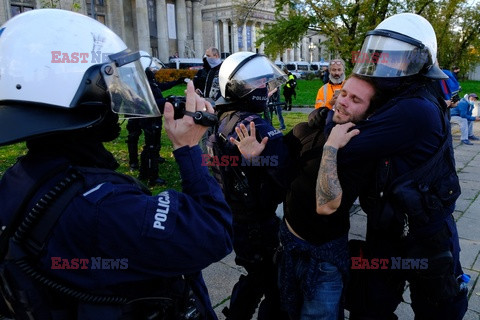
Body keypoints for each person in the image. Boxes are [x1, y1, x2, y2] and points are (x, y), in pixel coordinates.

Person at [0, 9, 232, 320]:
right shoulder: (104, 207)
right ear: (68, 88)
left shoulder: (20, 178)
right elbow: (214, 234)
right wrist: (189, 150)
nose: (117, 96)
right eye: (109, 82)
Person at [316, 13, 468, 320]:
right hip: (392, 225)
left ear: (416, 62)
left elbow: (345, 146)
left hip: (422, 232)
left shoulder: (414, 107)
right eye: (381, 55)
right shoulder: (405, 96)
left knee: (436, 309)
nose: (385, 64)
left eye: (395, 58)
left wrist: (331, 115)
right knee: (371, 306)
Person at [232, 74, 380, 319]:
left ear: (369, 112)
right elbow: (285, 170)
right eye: (343, 93)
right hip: (288, 244)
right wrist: (257, 156)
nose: (344, 101)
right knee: (286, 308)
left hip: (325, 260)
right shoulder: (305, 130)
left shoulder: (359, 150)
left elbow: (326, 206)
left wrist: (331, 148)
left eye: (356, 100)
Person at [207, 52, 289, 320]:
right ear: (242, 87)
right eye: (260, 82)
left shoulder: (224, 116)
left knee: (257, 275)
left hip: (236, 214)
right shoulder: (253, 125)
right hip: (256, 221)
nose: (267, 88)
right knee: (277, 285)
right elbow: (287, 171)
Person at [126, 52, 186, 186]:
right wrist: (168, 102)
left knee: (151, 146)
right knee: (151, 147)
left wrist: (176, 82)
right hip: (149, 117)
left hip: (152, 116)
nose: (153, 69)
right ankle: (151, 177)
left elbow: (158, 89)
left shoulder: (146, 77)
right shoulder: (140, 79)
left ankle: (144, 172)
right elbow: (149, 100)